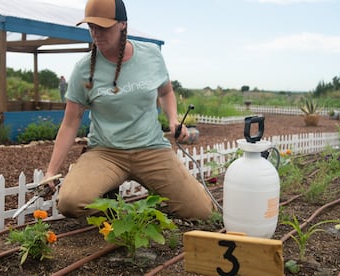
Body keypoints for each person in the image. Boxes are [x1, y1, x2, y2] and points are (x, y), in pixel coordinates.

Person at [43, 0, 214, 220]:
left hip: (151, 149)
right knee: (70, 203)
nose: (96, 34)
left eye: (103, 27)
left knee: (200, 212)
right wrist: (50, 172)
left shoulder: (151, 55)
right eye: (91, 27)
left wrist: (172, 120)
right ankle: (109, 197)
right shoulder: (83, 69)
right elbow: (70, 122)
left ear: (123, 24)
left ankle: (165, 192)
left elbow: (166, 92)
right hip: (106, 153)